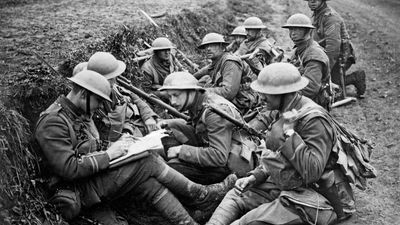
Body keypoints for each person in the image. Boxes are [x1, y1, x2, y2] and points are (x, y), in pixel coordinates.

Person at [34, 70, 237, 225]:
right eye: (97, 100)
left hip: (87, 178)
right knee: (146, 161)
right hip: (75, 189)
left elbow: (84, 146)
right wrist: (108, 154)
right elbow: (69, 168)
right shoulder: (53, 121)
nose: (98, 106)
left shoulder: (73, 114)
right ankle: (199, 194)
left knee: (147, 182)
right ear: (83, 94)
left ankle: (188, 221)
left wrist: (115, 145)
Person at [206, 62, 355, 225]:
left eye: (267, 93)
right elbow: (279, 157)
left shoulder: (314, 120)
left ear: (285, 93)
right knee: (236, 194)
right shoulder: (284, 111)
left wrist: (289, 135)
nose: (262, 97)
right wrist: (256, 176)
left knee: (247, 223)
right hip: (290, 183)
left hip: (318, 196)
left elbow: (313, 171)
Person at [158, 71, 259, 185]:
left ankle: (208, 196)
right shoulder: (197, 102)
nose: (173, 102)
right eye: (169, 96)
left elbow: (219, 157)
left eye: (176, 95)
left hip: (233, 165)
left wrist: (181, 150)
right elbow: (197, 127)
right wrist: (168, 123)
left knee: (173, 169)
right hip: (221, 148)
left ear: (192, 91)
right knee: (171, 127)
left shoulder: (214, 111)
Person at [83, 52, 159, 142]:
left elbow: (137, 99)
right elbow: (101, 136)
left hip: (138, 125)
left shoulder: (116, 89)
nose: (114, 81)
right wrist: (127, 132)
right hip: (124, 139)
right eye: (110, 79)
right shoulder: (90, 103)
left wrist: (148, 117)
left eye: (113, 77)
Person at [305, 0, 366, 97]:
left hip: (341, 55)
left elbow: (334, 47)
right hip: (326, 52)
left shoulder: (330, 17)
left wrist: (325, 69)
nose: (312, 1)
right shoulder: (318, 15)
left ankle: (356, 77)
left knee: (329, 85)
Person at [193, 32, 260, 114]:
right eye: (206, 46)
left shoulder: (230, 62)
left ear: (222, 47)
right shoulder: (216, 61)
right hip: (232, 100)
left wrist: (200, 92)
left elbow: (228, 92)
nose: (208, 49)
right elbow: (201, 72)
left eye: (213, 45)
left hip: (242, 101)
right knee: (204, 81)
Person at [283, 13, 332, 110]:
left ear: (308, 31)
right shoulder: (300, 49)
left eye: (298, 29)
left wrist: (282, 96)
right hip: (300, 97)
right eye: (291, 29)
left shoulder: (314, 55)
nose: (293, 33)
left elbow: (310, 89)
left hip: (313, 105)